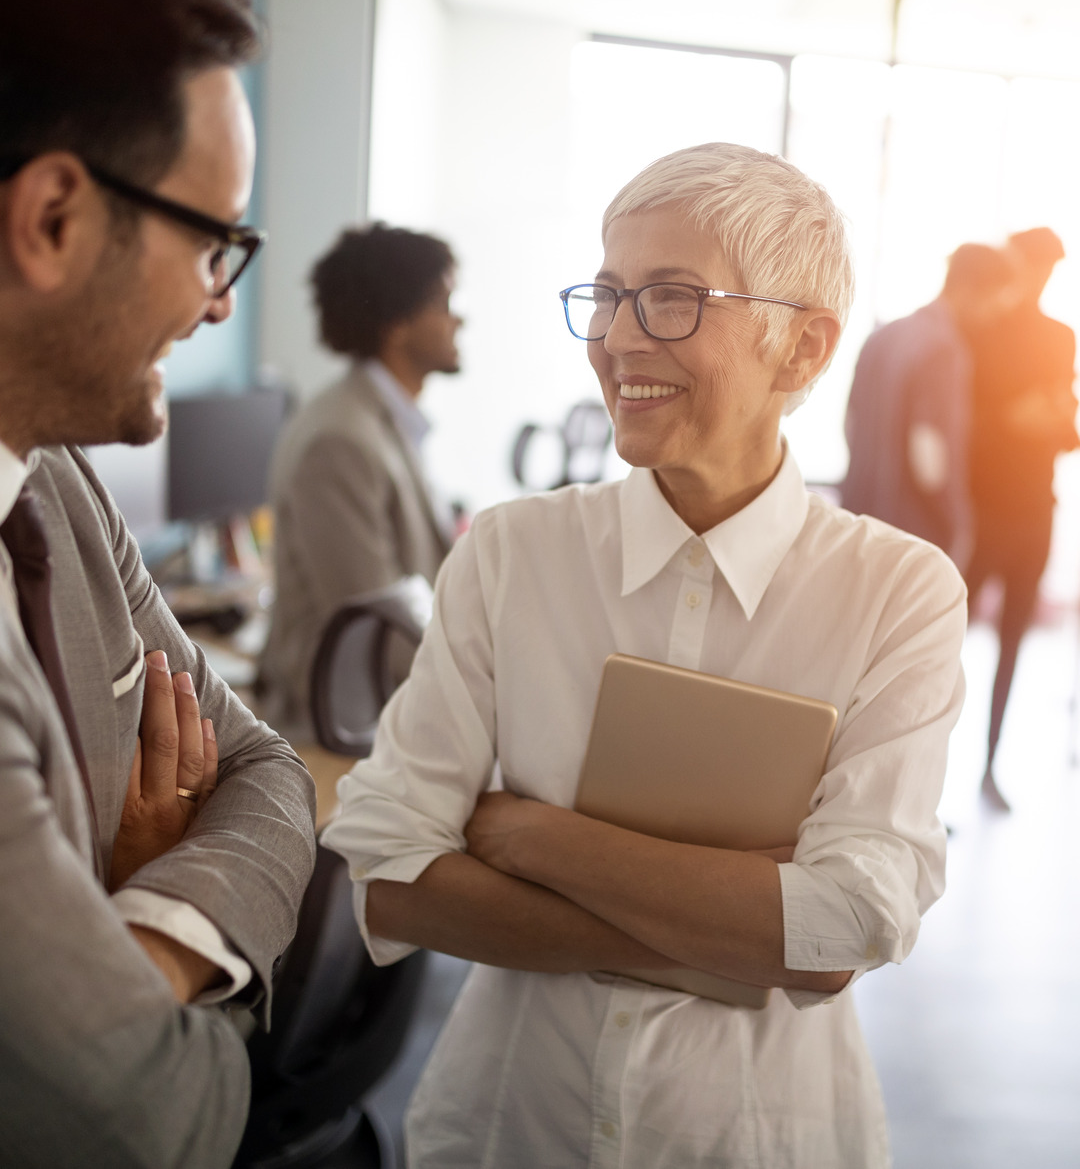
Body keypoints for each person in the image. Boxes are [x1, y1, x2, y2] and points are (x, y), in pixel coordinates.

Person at [322, 142, 967, 1167]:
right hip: (511, 1121)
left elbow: (850, 917)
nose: (618, 339)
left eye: (669, 298)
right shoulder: (511, 551)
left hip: (754, 1132)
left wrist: (530, 839)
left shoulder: (897, 591)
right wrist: (741, 937)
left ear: (801, 350)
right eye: (608, 296)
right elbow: (390, 877)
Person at [0, 0, 317, 1166]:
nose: (220, 299)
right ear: (53, 218)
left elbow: (270, 771)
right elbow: (133, 1119)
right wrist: (148, 966)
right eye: (212, 240)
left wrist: (144, 940)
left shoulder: (63, 486)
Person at [258, 223, 461, 736]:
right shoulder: (339, 440)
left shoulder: (386, 422)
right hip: (340, 729)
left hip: (385, 710)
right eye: (443, 302)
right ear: (397, 324)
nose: (458, 319)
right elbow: (381, 630)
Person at [965, 227, 1078, 811]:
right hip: (983, 512)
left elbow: (1068, 426)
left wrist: (1038, 418)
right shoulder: (981, 330)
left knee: (1012, 644)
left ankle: (990, 766)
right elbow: (971, 426)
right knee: (943, 642)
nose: (1043, 280)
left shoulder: (1061, 337)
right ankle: (921, 774)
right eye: (1038, 267)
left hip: (1037, 512)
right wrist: (1017, 418)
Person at [841, 242, 1017, 565]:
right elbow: (929, 457)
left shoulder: (882, 336)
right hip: (910, 536)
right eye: (995, 300)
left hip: (856, 520)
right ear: (969, 289)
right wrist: (958, 527)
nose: (995, 315)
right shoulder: (945, 349)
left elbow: (850, 427)